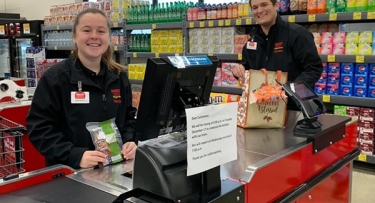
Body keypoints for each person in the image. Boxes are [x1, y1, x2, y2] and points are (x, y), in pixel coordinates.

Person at [26, 8, 137, 169]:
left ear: (109, 37)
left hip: (114, 168)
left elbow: (128, 117)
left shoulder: (119, 77)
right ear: (74, 37)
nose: (94, 36)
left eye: (101, 31)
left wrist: (129, 142)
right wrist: (75, 155)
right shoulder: (56, 78)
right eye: (86, 30)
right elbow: (39, 128)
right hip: (70, 173)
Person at [232, 0, 323, 110]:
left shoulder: (297, 34)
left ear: (276, 5)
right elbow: (248, 70)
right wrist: (240, 71)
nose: (260, 10)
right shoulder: (251, 42)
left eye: (264, 5)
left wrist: (288, 91)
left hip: (295, 109)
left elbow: (313, 68)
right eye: (255, 7)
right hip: (262, 109)